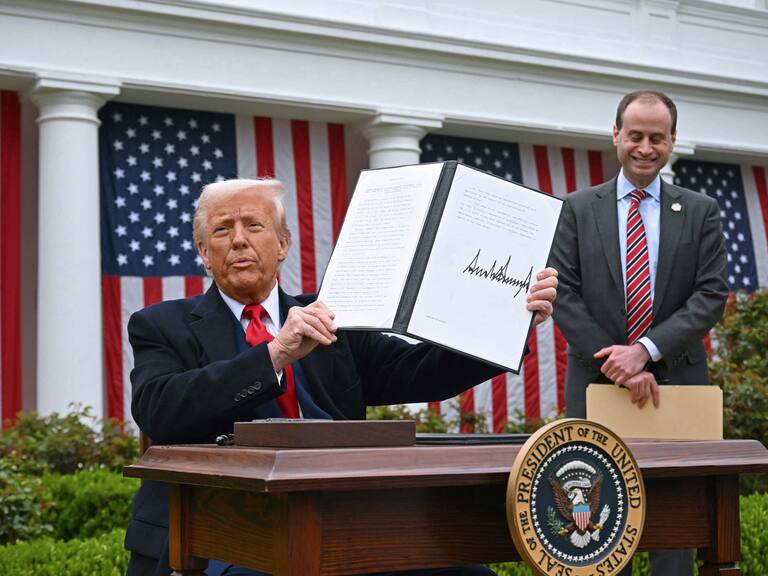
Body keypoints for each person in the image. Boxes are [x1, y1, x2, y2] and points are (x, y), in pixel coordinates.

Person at [125, 177, 560, 576]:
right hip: (218, 526)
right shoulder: (162, 324)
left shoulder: (336, 315)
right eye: (222, 230)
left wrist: (507, 325)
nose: (239, 239)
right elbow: (158, 409)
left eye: (254, 225)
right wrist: (275, 354)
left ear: (282, 245)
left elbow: (421, 371)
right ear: (203, 251)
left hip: (342, 518)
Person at [548, 90, 729, 575]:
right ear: (616, 136)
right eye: (635, 136)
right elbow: (563, 295)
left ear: (672, 141)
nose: (644, 148)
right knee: (597, 529)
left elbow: (711, 295)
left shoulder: (701, 210)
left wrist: (645, 352)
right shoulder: (576, 208)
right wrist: (621, 365)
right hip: (597, 384)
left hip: (678, 389)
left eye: (656, 137)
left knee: (675, 530)